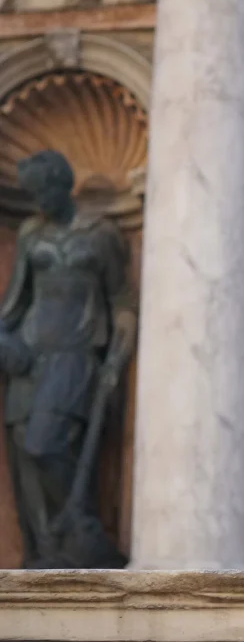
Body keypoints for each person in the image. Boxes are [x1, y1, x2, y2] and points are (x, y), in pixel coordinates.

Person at [1, 150, 135, 569]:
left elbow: (121, 299)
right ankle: (47, 549)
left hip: (75, 359)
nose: (39, 201)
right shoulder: (30, 235)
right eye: (33, 193)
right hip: (29, 358)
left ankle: (80, 526)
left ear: (62, 185)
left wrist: (121, 344)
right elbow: (15, 301)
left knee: (47, 445)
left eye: (44, 191)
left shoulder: (100, 235)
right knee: (26, 458)